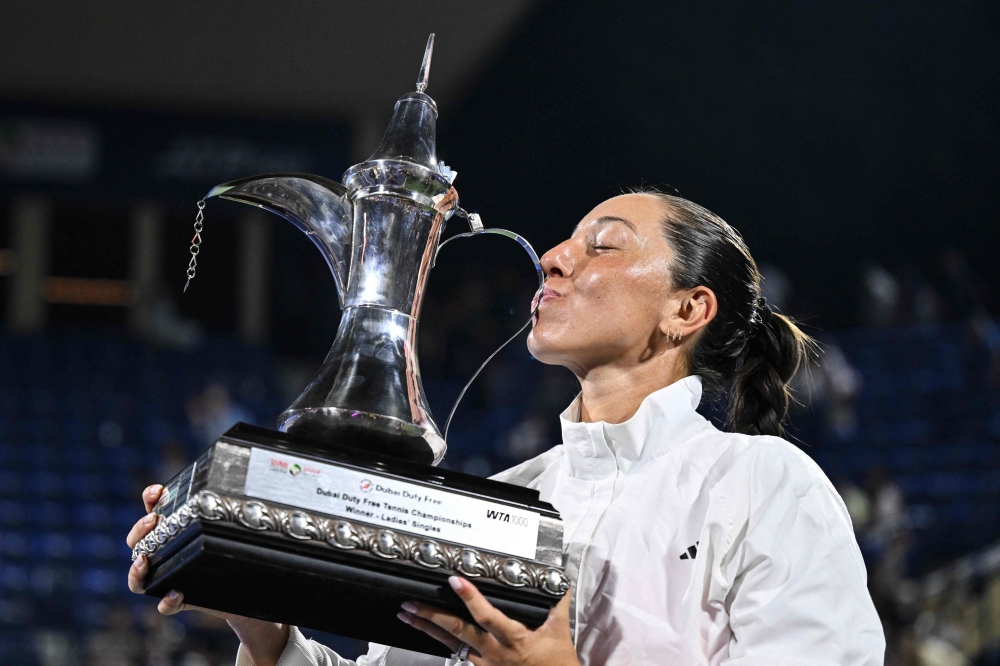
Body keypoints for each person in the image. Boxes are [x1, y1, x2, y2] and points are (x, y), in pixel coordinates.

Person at [126, 191, 886, 665]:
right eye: (564, 242)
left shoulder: (762, 485)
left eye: (603, 244)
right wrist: (267, 637)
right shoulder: (505, 499)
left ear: (686, 309)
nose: (554, 257)